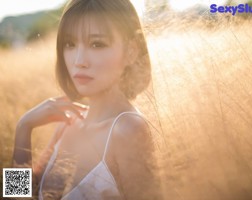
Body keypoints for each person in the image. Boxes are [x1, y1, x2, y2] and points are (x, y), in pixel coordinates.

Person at [12, 0, 162, 199]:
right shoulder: (68, 123)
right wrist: (23, 127)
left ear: (131, 51)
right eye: (70, 44)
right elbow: (17, 196)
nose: (79, 61)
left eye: (96, 44)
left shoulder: (128, 130)